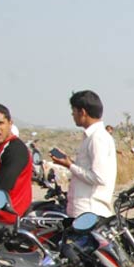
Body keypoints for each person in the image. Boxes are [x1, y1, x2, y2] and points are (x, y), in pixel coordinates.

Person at [50, 90, 117, 218]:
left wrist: (70, 165)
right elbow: (89, 171)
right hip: (83, 211)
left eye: (74, 111)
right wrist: (69, 163)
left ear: (83, 112)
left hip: (89, 210)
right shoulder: (91, 136)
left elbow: (98, 177)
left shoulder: (97, 138)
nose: (72, 114)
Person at [0, 103, 32, 223]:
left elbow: (1, 188)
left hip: (3, 216)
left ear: (10, 123)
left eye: (0, 123)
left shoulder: (15, 149)